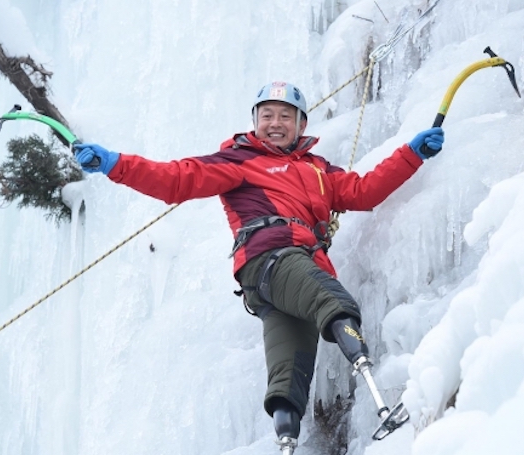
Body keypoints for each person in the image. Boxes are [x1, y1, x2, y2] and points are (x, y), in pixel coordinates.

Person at [74, 81, 444, 453]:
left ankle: (286, 443)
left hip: (284, 277)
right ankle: (382, 405)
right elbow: (177, 179)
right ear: (255, 122)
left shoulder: (319, 171)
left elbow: (364, 191)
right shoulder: (239, 160)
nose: (275, 123)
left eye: (286, 116)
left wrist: (411, 154)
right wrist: (114, 164)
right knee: (333, 302)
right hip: (271, 258)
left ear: (301, 125)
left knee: (290, 373)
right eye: (267, 115)